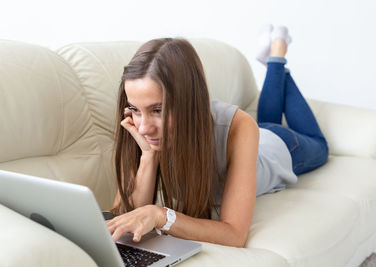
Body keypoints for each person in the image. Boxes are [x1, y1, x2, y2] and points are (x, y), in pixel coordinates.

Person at [106, 25, 329, 248]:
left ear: (189, 102)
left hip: (279, 147)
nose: (143, 128)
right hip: (254, 136)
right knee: (266, 120)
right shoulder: (141, 130)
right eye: (135, 109)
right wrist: (148, 155)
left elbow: (234, 235)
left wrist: (162, 215)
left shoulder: (239, 126)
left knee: (318, 145)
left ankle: (277, 56)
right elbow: (124, 217)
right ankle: (273, 61)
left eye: (158, 110)